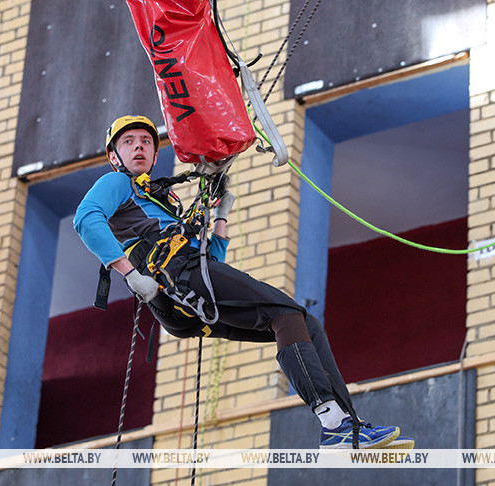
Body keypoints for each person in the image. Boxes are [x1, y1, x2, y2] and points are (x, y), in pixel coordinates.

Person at [75, 115, 413, 449]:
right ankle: (332, 422)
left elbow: (212, 263)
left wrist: (220, 217)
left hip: (186, 291)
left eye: (146, 142)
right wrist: (130, 274)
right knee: (286, 313)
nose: (138, 147)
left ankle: (346, 428)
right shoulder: (117, 184)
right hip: (177, 281)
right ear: (113, 156)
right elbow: (86, 219)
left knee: (305, 323)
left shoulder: (160, 200)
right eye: (128, 142)